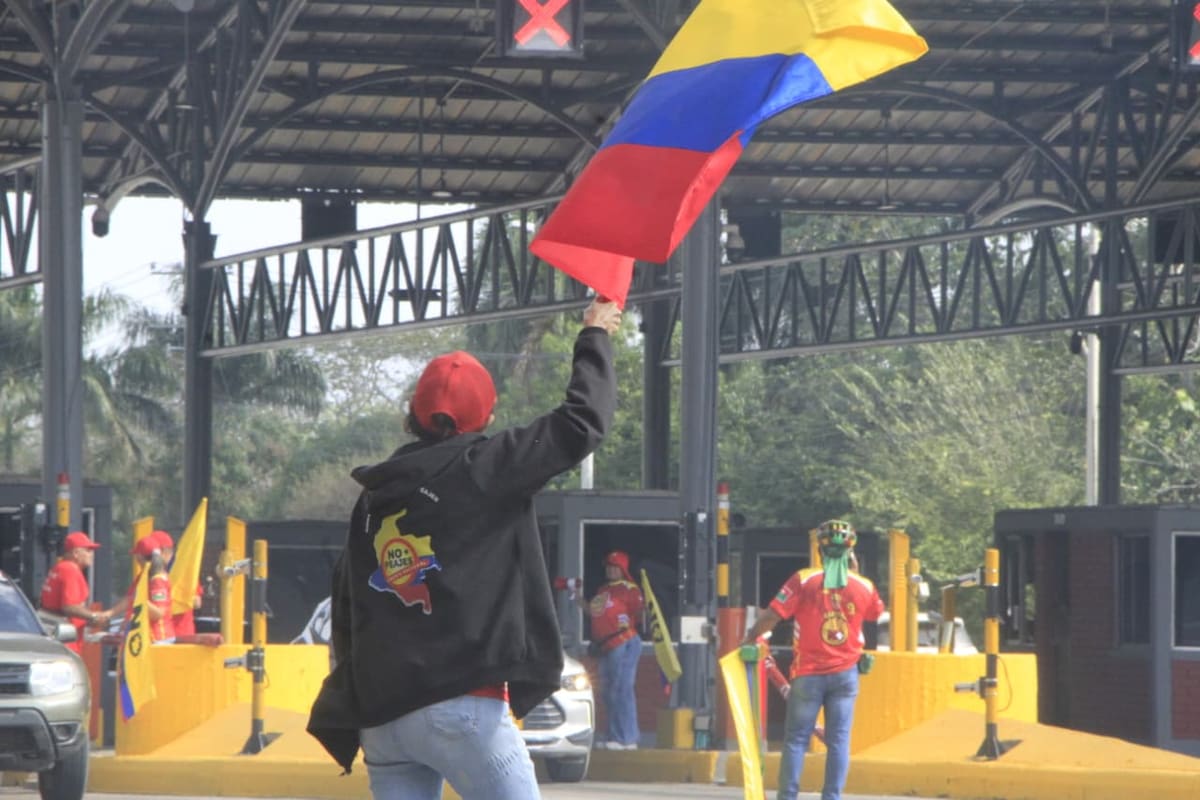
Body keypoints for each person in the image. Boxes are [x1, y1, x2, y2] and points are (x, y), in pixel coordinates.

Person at [307, 297, 621, 800]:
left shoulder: (373, 497)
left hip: (383, 720)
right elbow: (581, 422)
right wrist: (595, 336)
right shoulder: (483, 468)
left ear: (412, 414)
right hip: (461, 708)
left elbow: (347, 602)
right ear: (485, 416)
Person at [743, 520, 884, 800]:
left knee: (796, 739)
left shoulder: (803, 579)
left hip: (807, 673)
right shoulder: (864, 586)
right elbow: (874, 613)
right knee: (839, 742)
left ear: (819, 550)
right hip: (846, 674)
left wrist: (749, 637)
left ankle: (788, 796)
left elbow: (772, 615)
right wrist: (854, 575)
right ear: (850, 552)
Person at [585, 549, 644, 750]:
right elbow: (593, 611)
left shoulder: (631, 589)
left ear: (623, 569)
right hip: (605, 646)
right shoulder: (602, 590)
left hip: (624, 641)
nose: (611, 570)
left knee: (622, 688)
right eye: (609, 567)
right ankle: (614, 735)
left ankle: (627, 738)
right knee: (608, 691)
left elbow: (638, 614)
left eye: (615, 567)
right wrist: (575, 596)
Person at [39, 531, 111, 653]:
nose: (91, 554)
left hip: (55, 636)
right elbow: (69, 607)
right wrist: (94, 616)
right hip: (65, 642)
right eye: (88, 550)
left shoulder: (59, 567)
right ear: (76, 553)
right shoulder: (70, 570)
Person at [154, 530, 203, 637]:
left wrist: (172, 599)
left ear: (162, 552)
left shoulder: (184, 572)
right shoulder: (151, 572)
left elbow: (197, 602)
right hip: (158, 634)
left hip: (181, 635)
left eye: (151, 554)